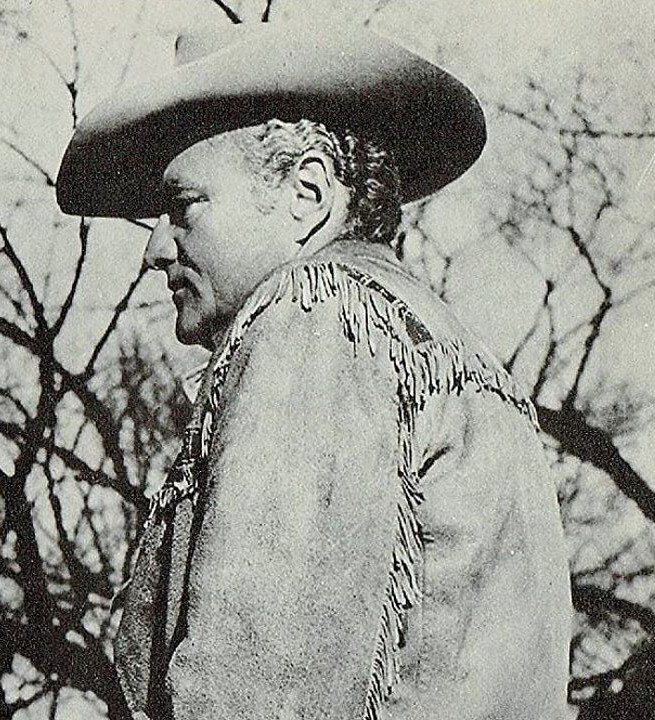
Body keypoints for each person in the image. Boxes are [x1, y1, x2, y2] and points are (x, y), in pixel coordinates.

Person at [55, 24, 573, 720]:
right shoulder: (460, 360)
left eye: (183, 206)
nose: (155, 249)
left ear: (307, 194)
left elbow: (257, 684)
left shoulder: (315, 315)